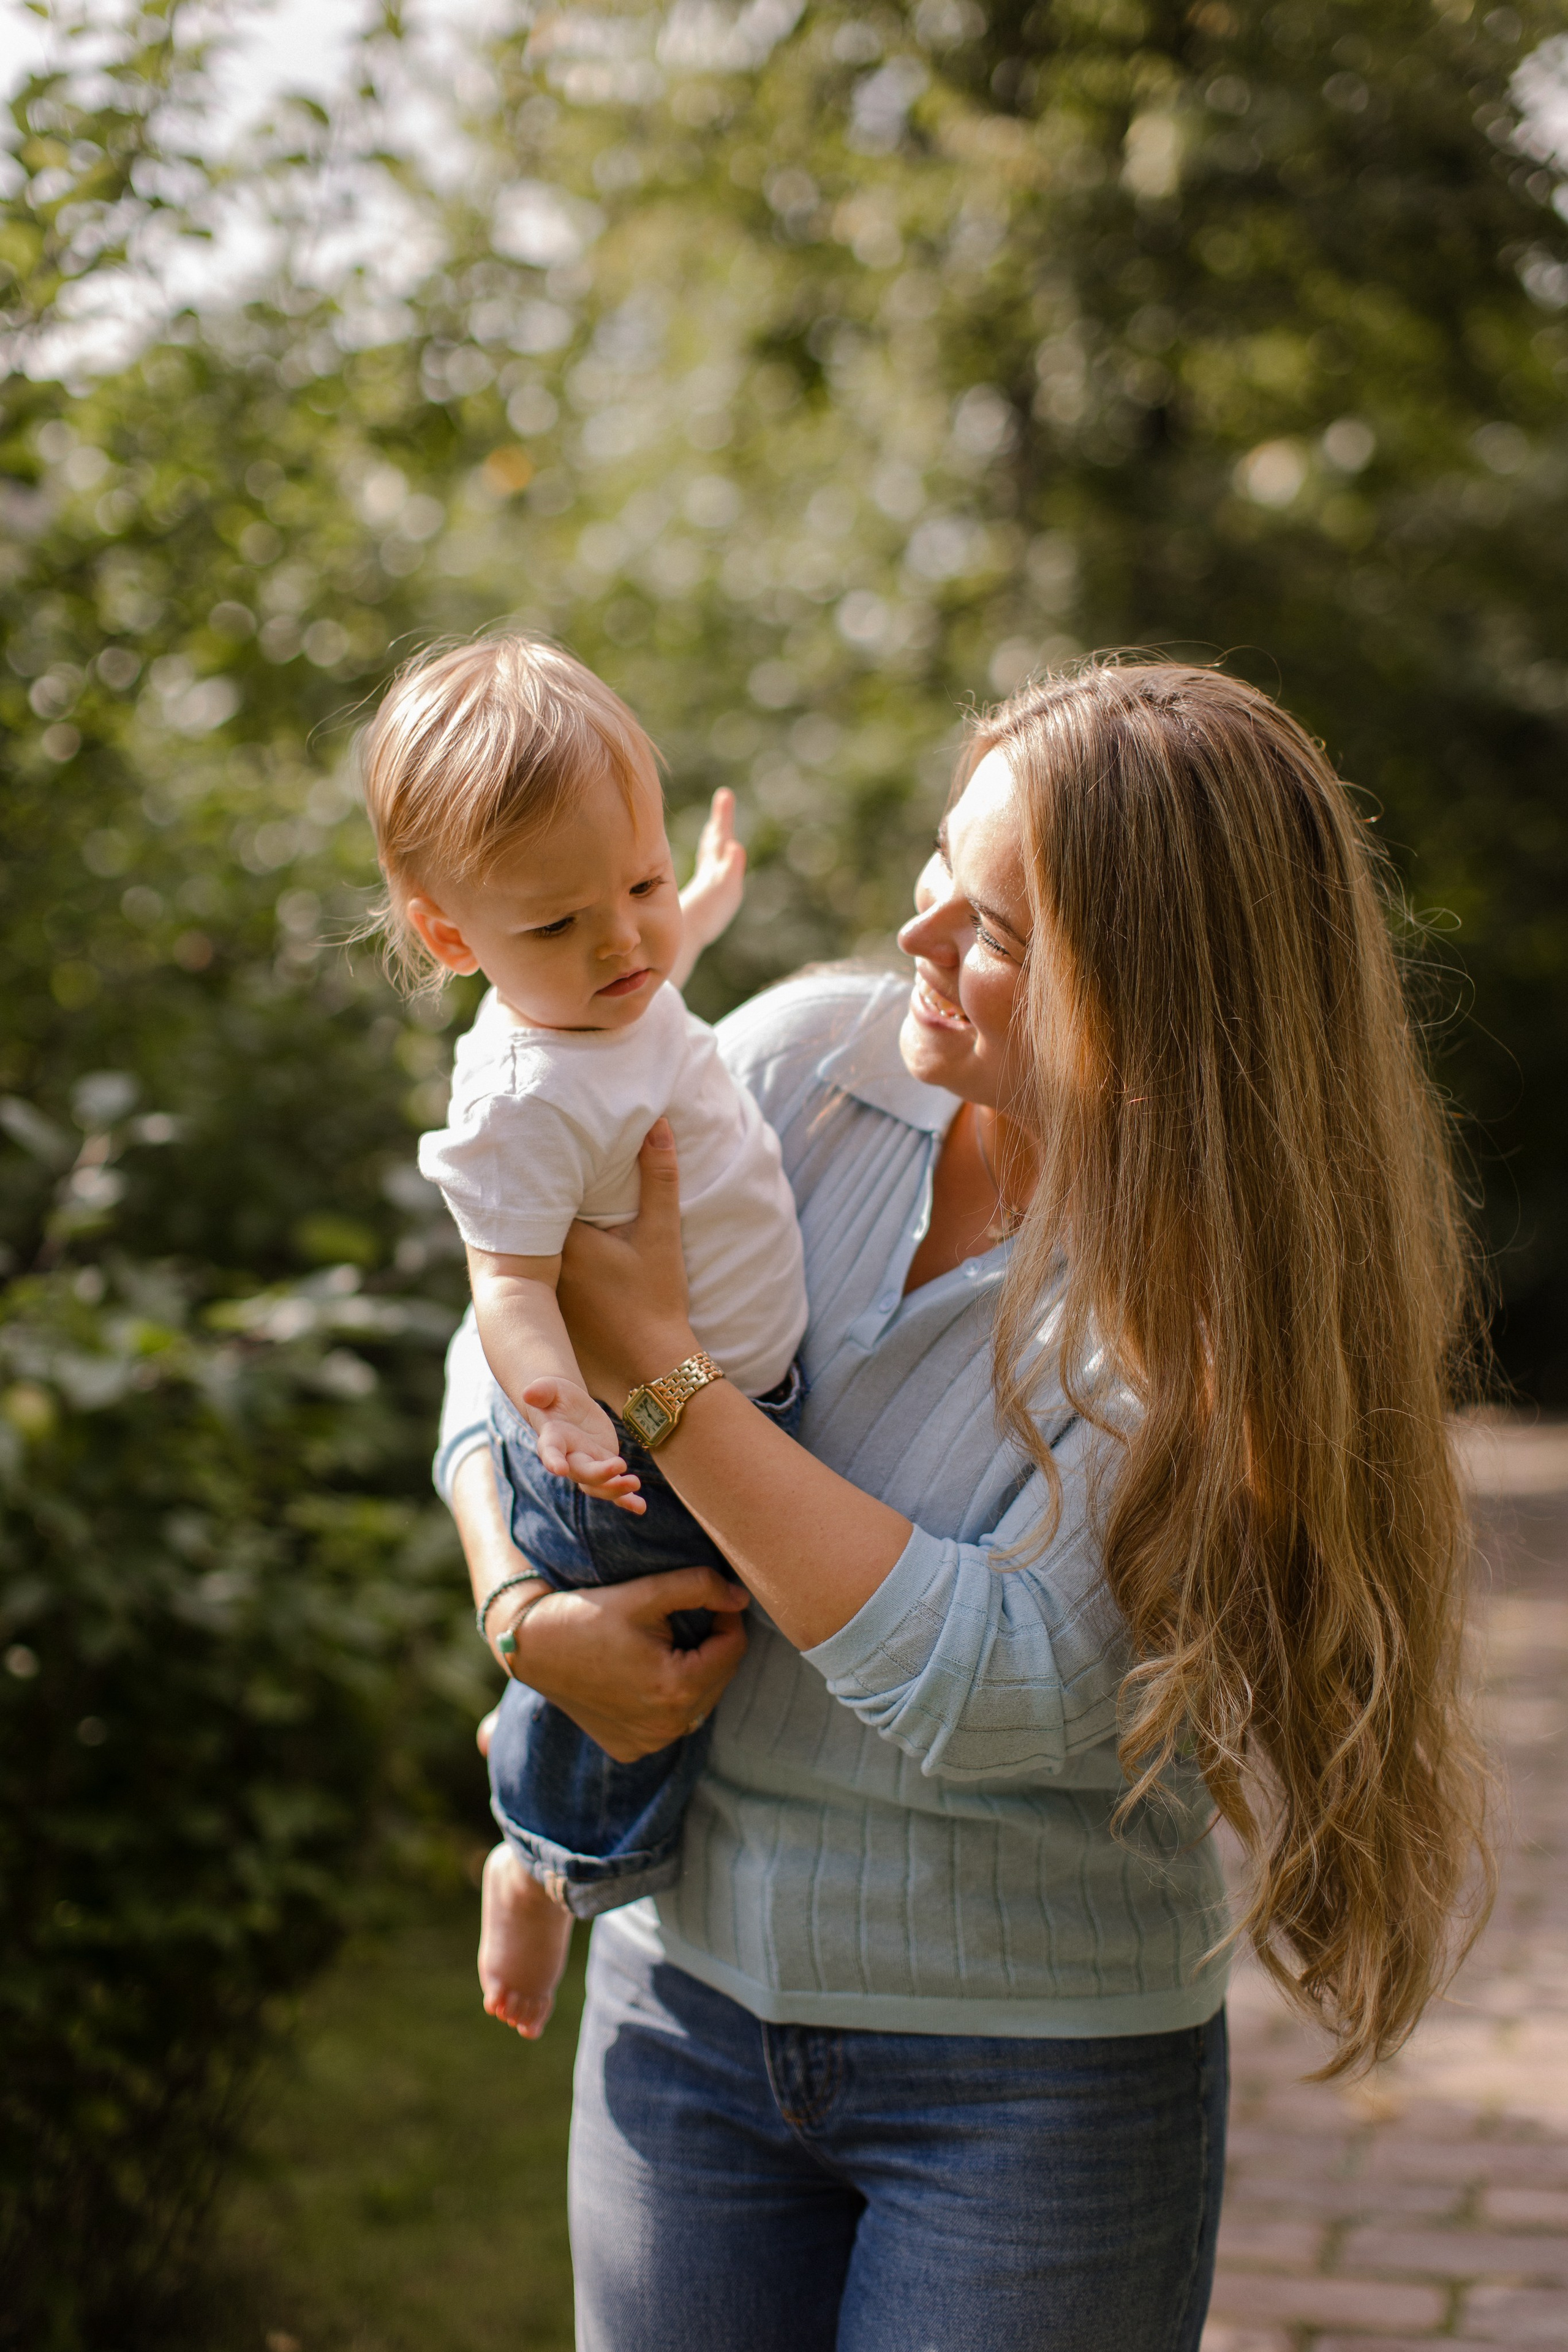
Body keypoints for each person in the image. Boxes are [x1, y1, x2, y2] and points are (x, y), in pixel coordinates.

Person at [438, 658, 1489, 2352]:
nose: (918, 937)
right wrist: (525, 1613)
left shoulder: (1225, 1303)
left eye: (997, 928)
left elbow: (1004, 1689)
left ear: (1156, 989)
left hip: (1031, 2087)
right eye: (941, 869)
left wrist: (664, 1375)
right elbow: (492, 1354)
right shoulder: (793, 1068)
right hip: (679, 2006)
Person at [360, 636, 807, 2040]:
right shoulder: (518, 1097)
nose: (622, 943)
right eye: (557, 925)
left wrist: (701, 909)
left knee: (687, 1655)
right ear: (453, 940)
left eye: (645, 883)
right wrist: (555, 1406)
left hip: (724, 1405)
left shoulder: (613, 977)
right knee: (654, 1687)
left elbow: (649, 981)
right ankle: (543, 1864)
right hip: (621, 1451)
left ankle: (529, 1761)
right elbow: (503, 1286)